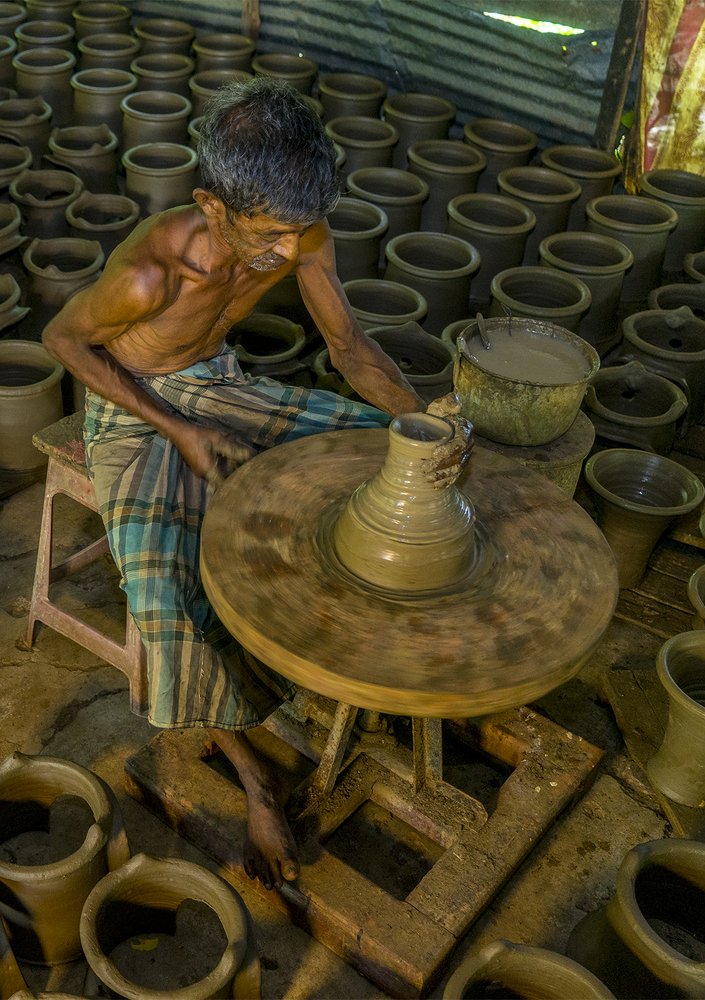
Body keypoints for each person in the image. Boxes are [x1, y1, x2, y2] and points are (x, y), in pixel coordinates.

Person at [42, 76, 471, 891]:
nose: (285, 252)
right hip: (131, 407)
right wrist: (181, 433)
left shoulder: (302, 235)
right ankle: (254, 777)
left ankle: (332, 658)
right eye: (269, 234)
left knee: (366, 449)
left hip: (213, 381)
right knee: (168, 602)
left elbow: (348, 348)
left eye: (298, 231)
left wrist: (424, 424)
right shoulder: (151, 272)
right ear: (211, 205)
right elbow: (64, 340)